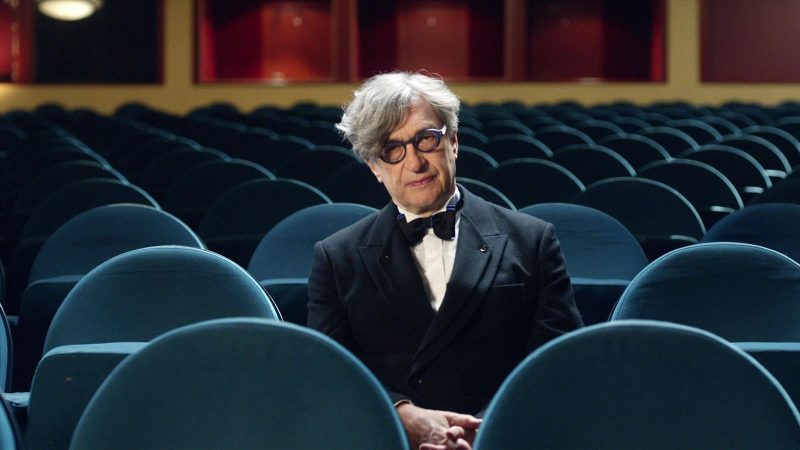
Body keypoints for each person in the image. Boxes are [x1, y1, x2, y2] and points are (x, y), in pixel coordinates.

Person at [307, 71, 583, 450]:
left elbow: (559, 365)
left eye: (426, 139)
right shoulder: (336, 257)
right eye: (392, 149)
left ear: (453, 141)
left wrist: (481, 427)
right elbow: (329, 374)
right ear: (374, 167)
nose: (414, 162)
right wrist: (403, 416)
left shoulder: (533, 240)